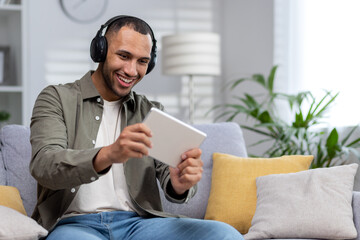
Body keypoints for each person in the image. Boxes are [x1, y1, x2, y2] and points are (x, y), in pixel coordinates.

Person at [30, 15, 244, 240]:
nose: (132, 70)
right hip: (74, 225)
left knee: (224, 234)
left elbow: (168, 175)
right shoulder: (55, 98)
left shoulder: (150, 111)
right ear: (100, 51)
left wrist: (179, 185)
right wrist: (109, 154)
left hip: (139, 225)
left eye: (142, 61)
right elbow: (44, 165)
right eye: (123, 56)